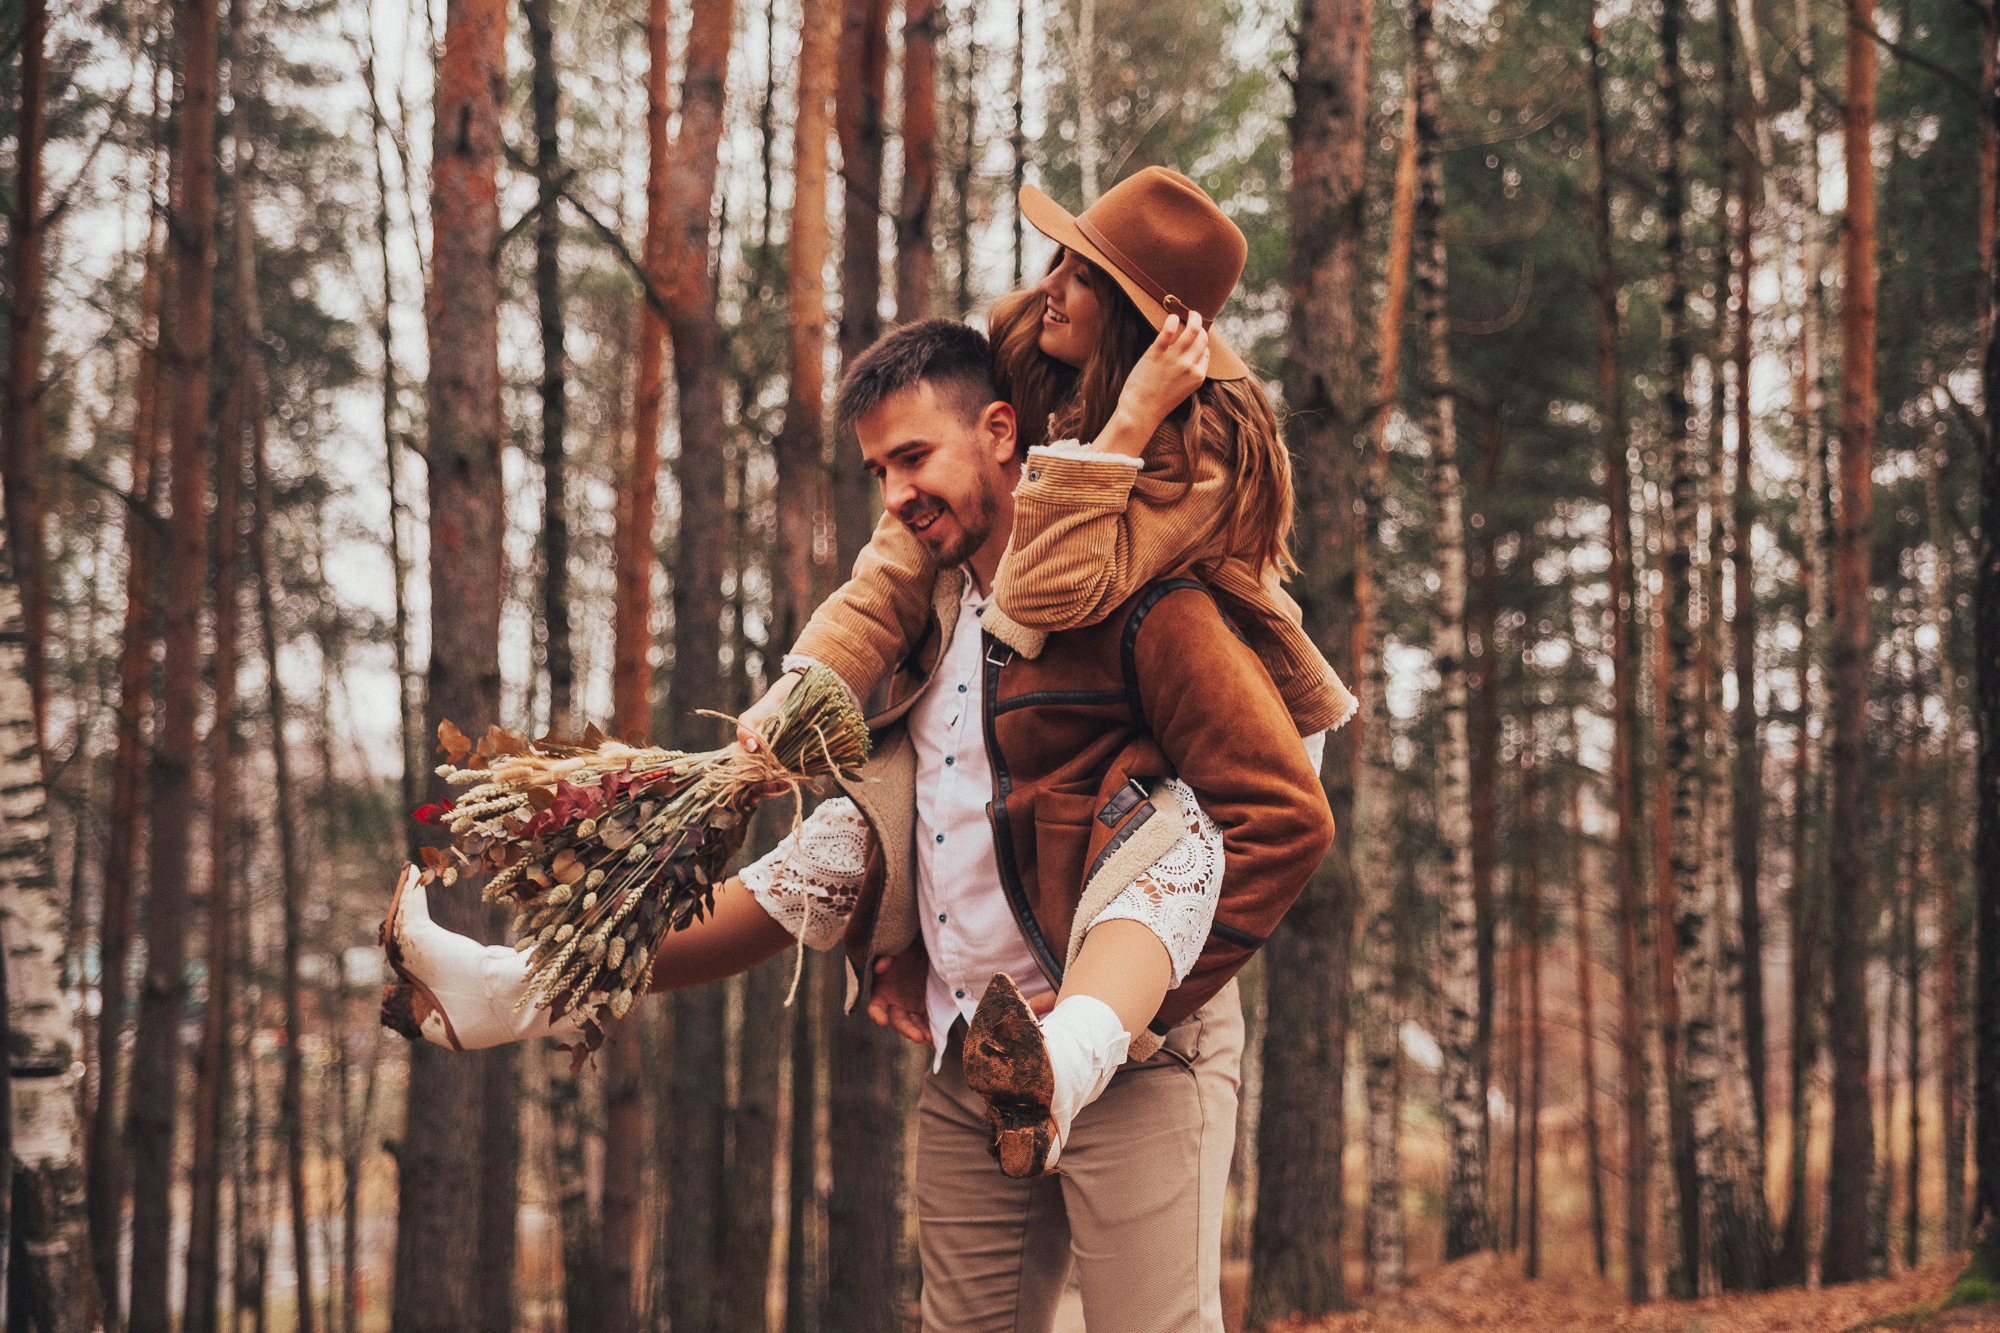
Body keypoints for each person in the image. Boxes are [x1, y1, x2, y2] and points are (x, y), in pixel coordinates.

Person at [384, 317, 1334, 1331]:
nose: (894, 493)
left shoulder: (1138, 595)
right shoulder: (927, 607)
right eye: (880, 469)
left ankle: (1085, 1038)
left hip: (1139, 1060)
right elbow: (946, 800)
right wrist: (889, 922)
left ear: (1001, 432)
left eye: (914, 457)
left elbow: (1280, 813)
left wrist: (1156, 1006)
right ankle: (517, 986)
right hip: (979, 1054)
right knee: (829, 848)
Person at [733, 165, 1353, 1170]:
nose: (1048, 283)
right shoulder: (1028, 347)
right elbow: (901, 553)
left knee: (1165, 844)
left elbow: (1043, 594)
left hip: (1214, 693)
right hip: (1093, 660)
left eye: (1081, 273)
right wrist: (806, 686)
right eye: (1060, 257)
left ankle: (1091, 1034)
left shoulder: (1200, 445)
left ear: (1146, 318)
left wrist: (1128, 422)